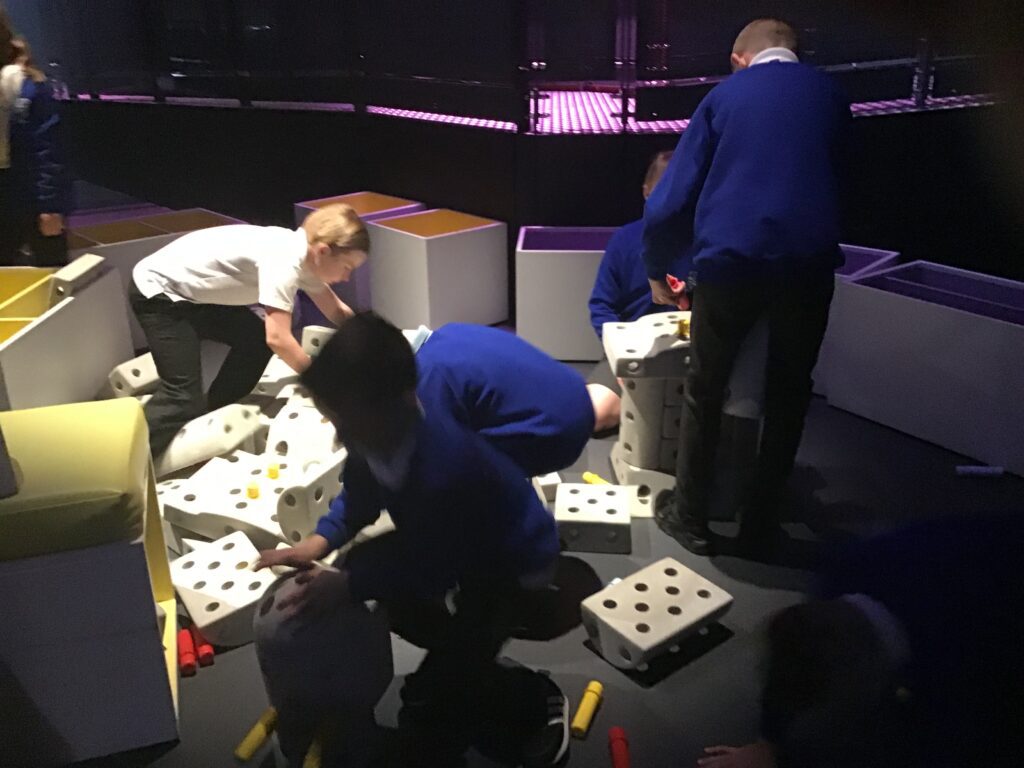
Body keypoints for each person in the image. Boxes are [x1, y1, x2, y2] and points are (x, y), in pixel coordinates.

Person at [256, 313, 570, 768]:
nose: (342, 433)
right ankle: (460, 663)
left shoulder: (445, 465)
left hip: (511, 563)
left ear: (402, 400)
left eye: (348, 420)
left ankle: (534, 701)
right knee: (376, 578)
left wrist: (351, 584)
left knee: (438, 692)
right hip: (446, 545)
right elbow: (361, 493)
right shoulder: (373, 433)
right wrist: (321, 541)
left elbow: (433, 564)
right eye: (334, 419)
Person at [642, 19, 851, 556]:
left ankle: (690, 516)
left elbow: (672, 197)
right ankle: (761, 521)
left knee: (705, 388)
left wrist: (658, 265)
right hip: (807, 266)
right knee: (789, 394)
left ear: (739, 58)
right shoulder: (831, 95)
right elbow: (848, 181)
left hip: (731, 264)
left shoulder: (724, 97)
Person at [696, 514, 1023, 768]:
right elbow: (790, 662)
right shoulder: (846, 570)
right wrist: (769, 745)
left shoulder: (958, 660)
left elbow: (953, 744)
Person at [130, 204, 367, 455]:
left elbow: (337, 310)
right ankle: (123, 458)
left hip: (192, 296)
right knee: (182, 396)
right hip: (158, 294)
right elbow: (278, 338)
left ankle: (215, 412)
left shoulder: (306, 258)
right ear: (323, 251)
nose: (346, 278)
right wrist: (322, 384)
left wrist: (371, 342)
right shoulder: (284, 259)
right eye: (347, 267)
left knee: (254, 340)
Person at [586, 150, 687, 432]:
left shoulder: (703, 242)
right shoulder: (625, 240)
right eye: (662, 195)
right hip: (632, 351)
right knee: (594, 414)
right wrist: (621, 358)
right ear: (646, 192)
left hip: (687, 352)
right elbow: (602, 306)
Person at [415, 322, 594, 477]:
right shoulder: (450, 331)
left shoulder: (429, 376)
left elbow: (442, 455)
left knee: (447, 464)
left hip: (559, 430)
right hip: (577, 392)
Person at [0, 26, 69, 266]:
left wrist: (50, 206)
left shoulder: (25, 84)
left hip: (26, 197)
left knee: (50, 277)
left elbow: (48, 148)